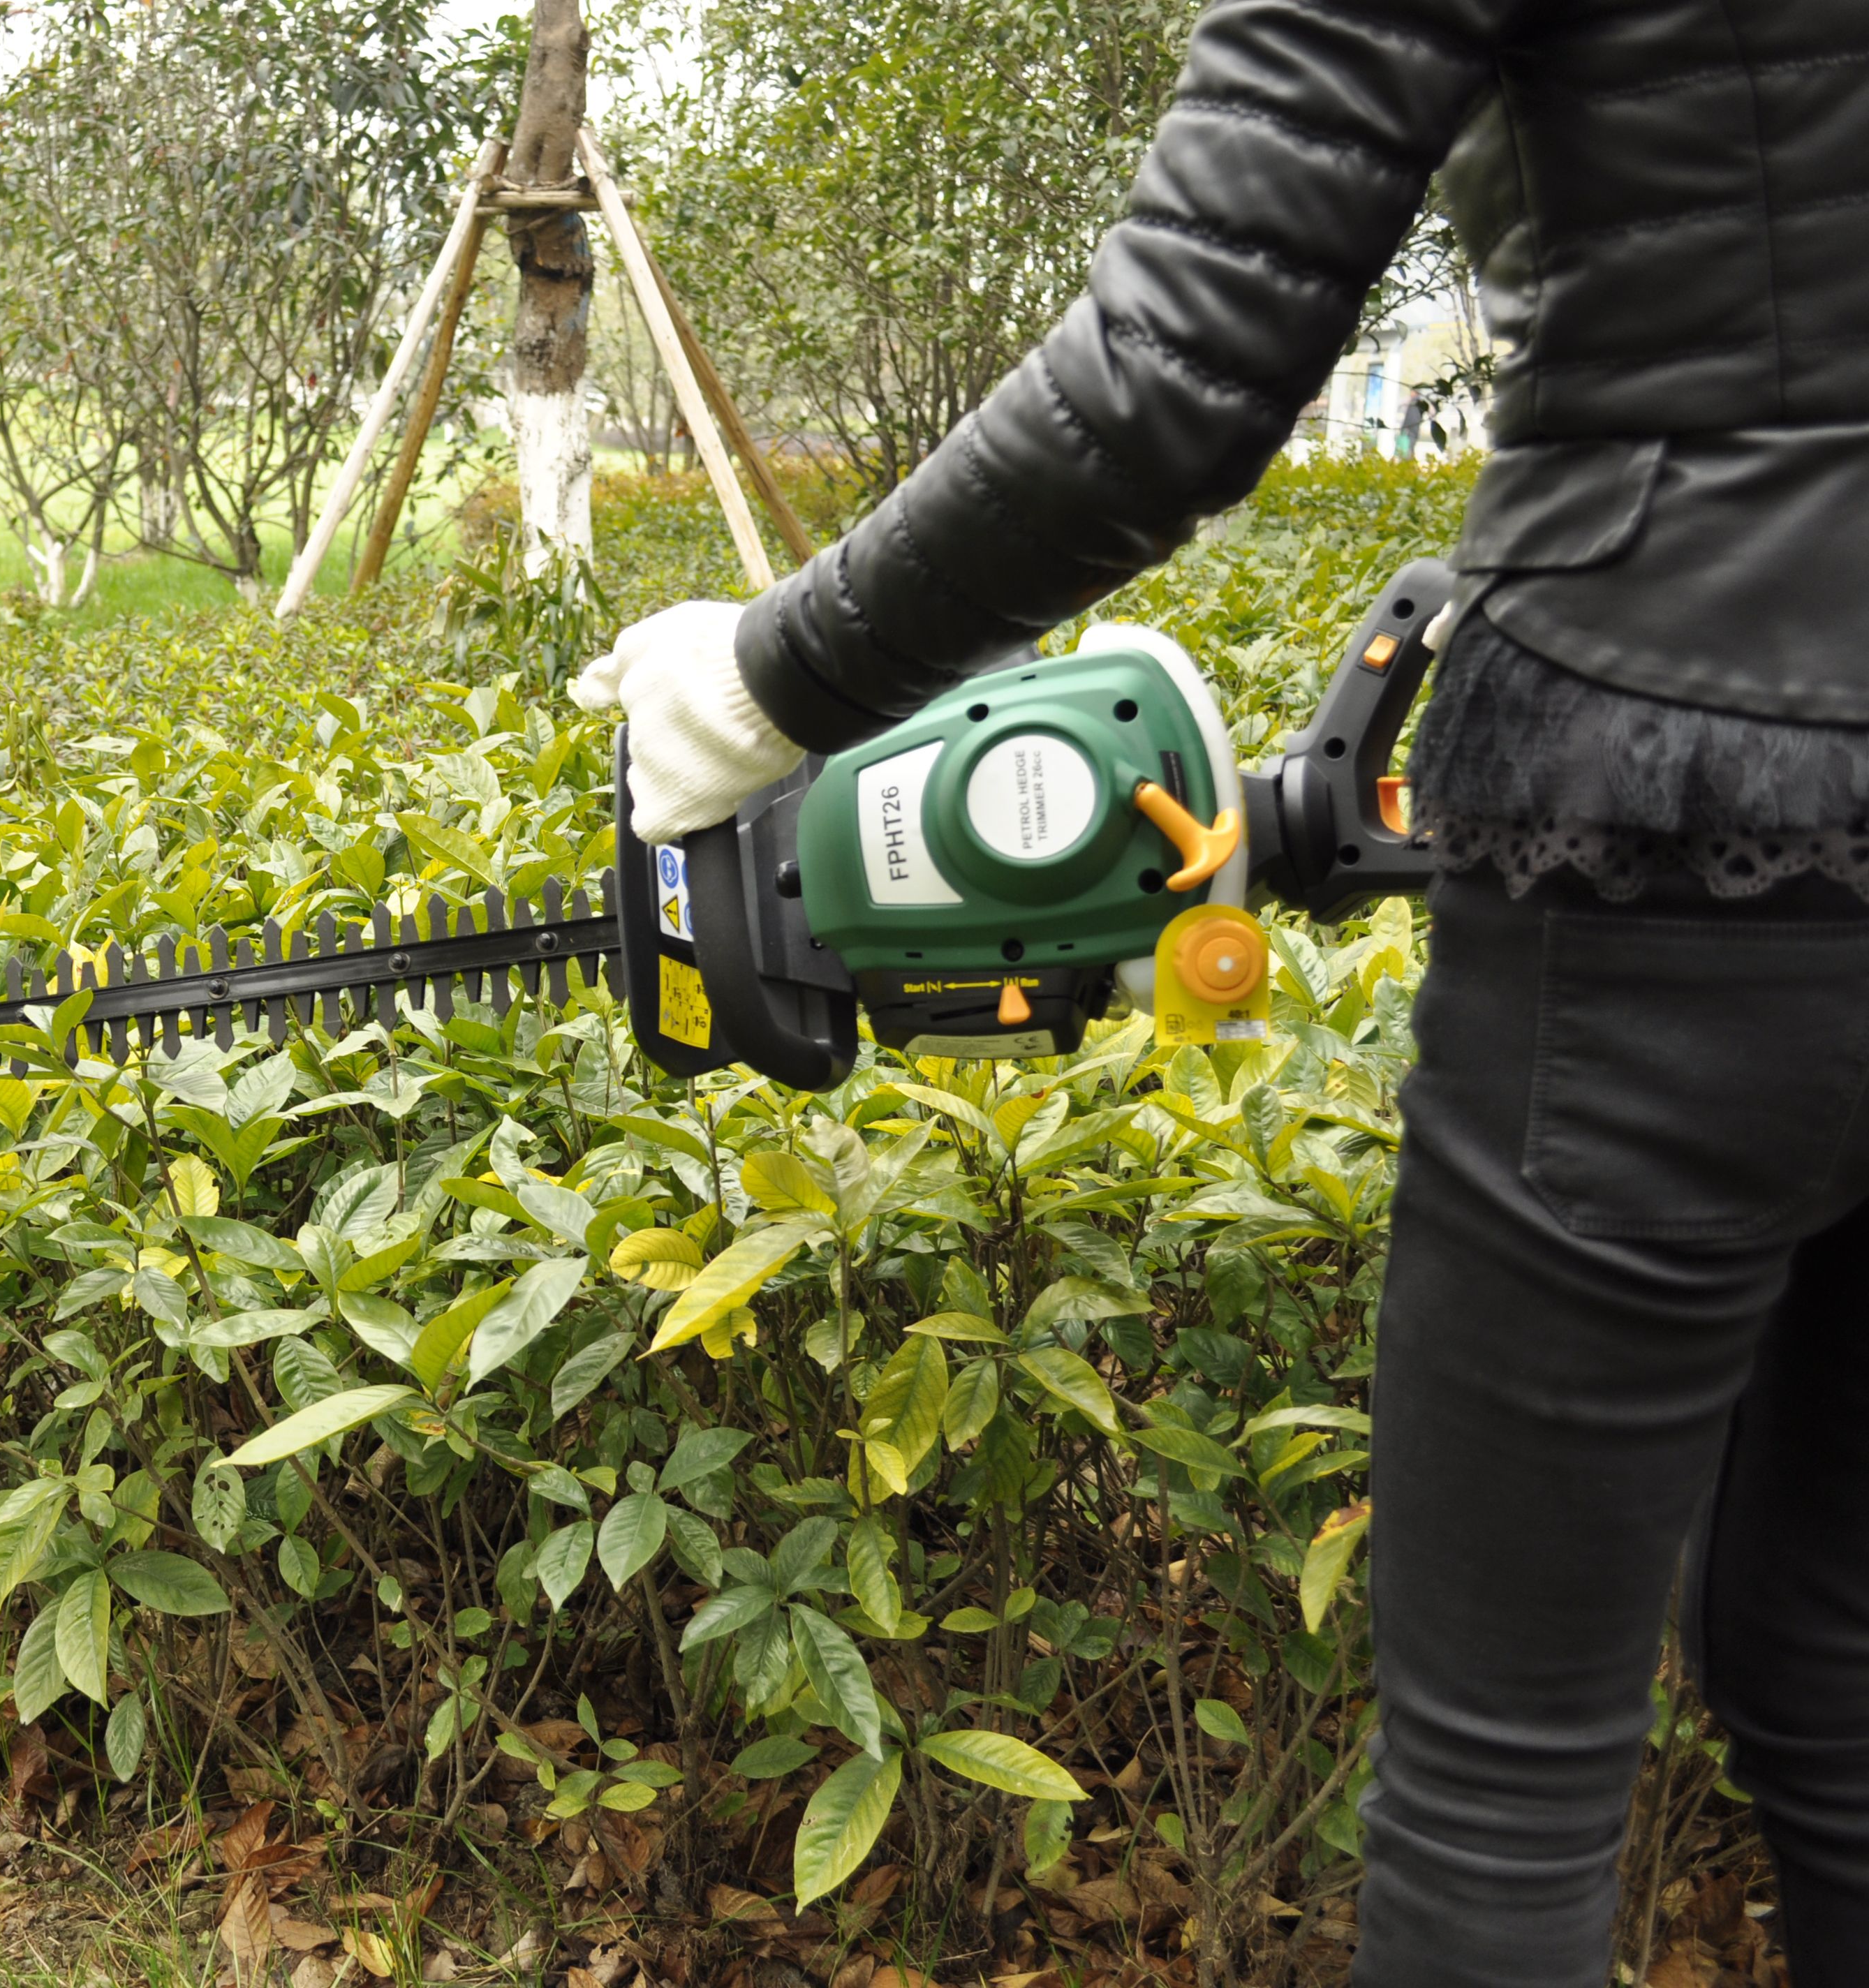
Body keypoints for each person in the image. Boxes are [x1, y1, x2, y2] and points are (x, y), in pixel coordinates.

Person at [572, 0, 1869, 1979]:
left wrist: (770, 683)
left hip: (1674, 840)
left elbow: (1180, 368)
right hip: (1707, 773)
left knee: (1505, 1773)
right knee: (1835, 1656)